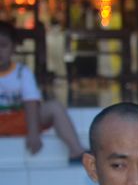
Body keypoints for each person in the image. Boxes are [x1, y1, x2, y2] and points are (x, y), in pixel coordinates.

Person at [0, 21, 85, 164]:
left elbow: (31, 103)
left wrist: (33, 132)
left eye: (3, 46)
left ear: (13, 48)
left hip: (20, 120)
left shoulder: (22, 72)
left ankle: (76, 150)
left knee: (55, 107)